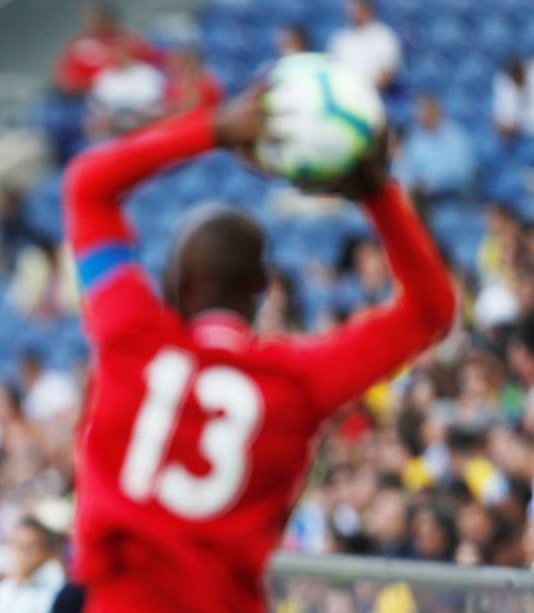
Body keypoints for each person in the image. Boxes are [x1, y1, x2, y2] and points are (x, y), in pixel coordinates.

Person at [62, 83, 455, 611]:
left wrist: (212, 128)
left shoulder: (129, 335)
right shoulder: (297, 381)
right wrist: (377, 193)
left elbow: (87, 186)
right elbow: (431, 311)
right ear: (262, 286)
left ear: (176, 281)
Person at [396, 94, 475, 207]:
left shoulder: (455, 136)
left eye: (423, 111)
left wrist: (434, 184)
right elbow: (403, 168)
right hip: (420, 200)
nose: (419, 116)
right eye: (417, 112)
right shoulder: (414, 137)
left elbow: (464, 172)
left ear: (435, 110)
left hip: (451, 200)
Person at [0, 516, 66, 613]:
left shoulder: (56, 585)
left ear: (47, 552)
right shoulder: (4, 589)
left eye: (30, 546)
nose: (22, 552)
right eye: (17, 544)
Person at [327, 0, 401, 92]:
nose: (354, 13)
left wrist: (368, 93)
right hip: (345, 92)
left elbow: (388, 72)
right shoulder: (339, 38)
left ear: (368, 10)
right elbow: (331, 69)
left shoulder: (383, 35)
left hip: (375, 93)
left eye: (357, 9)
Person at [493, 57, 534, 138]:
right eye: (513, 75)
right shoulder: (504, 85)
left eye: (518, 73)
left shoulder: (531, 69)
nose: (516, 76)